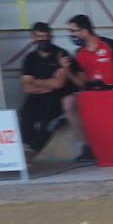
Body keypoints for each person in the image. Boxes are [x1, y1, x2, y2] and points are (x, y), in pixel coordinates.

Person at [19, 23, 84, 156]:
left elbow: (59, 83)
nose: (43, 39)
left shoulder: (61, 54)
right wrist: (47, 86)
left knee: (47, 121)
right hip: (37, 97)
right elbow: (26, 87)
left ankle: (35, 149)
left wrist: (35, 82)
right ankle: (28, 148)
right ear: (33, 38)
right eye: (39, 36)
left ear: (51, 37)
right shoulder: (30, 59)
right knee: (25, 115)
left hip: (57, 97)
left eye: (46, 36)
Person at [68, 13, 113, 88]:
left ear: (84, 31)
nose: (72, 35)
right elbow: (82, 82)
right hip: (93, 94)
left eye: (73, 31)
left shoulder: (109, 44)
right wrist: (67, 69)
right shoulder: (77, 54)